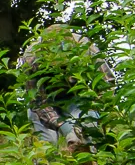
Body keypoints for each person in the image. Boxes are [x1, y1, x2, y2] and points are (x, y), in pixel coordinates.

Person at [18, 24, 108, 157]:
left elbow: (106, 81)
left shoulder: (85, 47)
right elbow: (37, 101)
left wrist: (98, 107)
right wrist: (64, 127)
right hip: (44, 101)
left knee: (88, 130)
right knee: (47, 145)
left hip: (77, 97)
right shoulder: (31, 58)